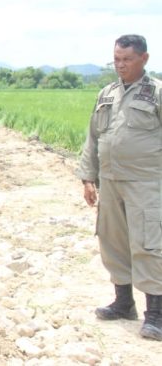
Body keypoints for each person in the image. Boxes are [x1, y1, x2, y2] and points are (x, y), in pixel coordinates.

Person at [76, 34, 162, 341]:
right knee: (113, 241)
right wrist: (88, 177)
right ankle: (124, 303)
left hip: (146, 183)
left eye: (126, 59)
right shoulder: (107, 93)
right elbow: (93, 137)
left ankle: (156, 314)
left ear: (144, 59)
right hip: (110, 182)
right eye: (116, 59)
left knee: (148, 244)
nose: (120, 65)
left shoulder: (157, 92)